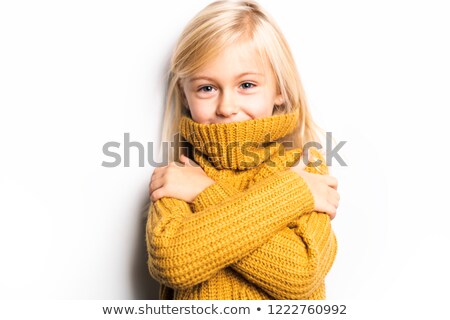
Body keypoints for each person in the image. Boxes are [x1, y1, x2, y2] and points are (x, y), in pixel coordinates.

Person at [146, 0, 339, 300]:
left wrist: (203, 192)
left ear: (280, 90)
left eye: (247, 85)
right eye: (207, 88)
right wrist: (291, 194)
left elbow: (301, 273)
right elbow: (172, 261)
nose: (227, 107)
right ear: (185, 95)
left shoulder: (305, 167)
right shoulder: (178, 175)